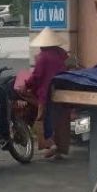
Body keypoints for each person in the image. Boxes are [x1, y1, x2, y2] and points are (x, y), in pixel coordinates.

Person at [23, 27, 69, 159]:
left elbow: (37, 77)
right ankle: (60, 150)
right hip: (61, 91)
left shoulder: (43, 57)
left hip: (47, 92)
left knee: (44, 119)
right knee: (59, 120)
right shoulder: (61, 55)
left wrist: (26, 85)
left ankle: (51, 145)